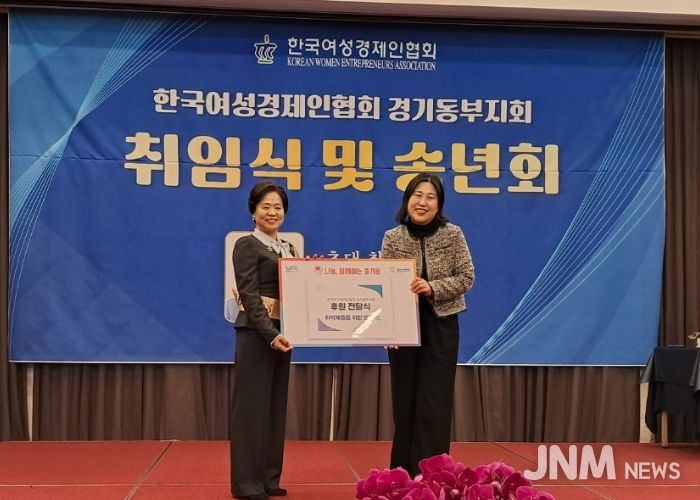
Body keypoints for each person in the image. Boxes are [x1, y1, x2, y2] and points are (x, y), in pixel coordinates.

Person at [381, 173, 475, 478]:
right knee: (405, 399)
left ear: (439, 203)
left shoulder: (453, 234)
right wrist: (387, 328)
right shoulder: (393, 237)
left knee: (435, 402)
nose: (423, 202)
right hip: (403, 328)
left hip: (441, 325)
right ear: (407, 200)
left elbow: (466, 277)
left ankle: (434, 474)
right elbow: (384, 285)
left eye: (430, 197)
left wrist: (432, 287)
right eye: (417, 195)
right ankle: (403, 474)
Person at [230, 181, 296, 500]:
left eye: (278, 207)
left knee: (273, 408)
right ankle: (246, 483)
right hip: (257, 335)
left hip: (283, 336)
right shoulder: (246, 244)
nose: (272, 212)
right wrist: (271, 334)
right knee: (250, 410)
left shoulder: (288, 248)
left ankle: (269, 478)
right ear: (253, 212)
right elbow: (250, 295)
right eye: (265, 206)